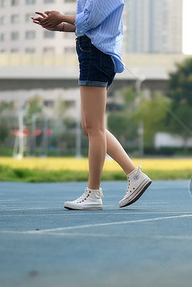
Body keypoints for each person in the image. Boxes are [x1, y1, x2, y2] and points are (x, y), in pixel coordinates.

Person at [32, 0, 151, 210]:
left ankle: (94, 193)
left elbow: (90, 19)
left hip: (95, 54)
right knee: (91, 127)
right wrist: (59, 25)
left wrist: (61, 17)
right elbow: (89, 24)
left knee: (94, 128)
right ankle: (134, 175)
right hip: (93, 53)